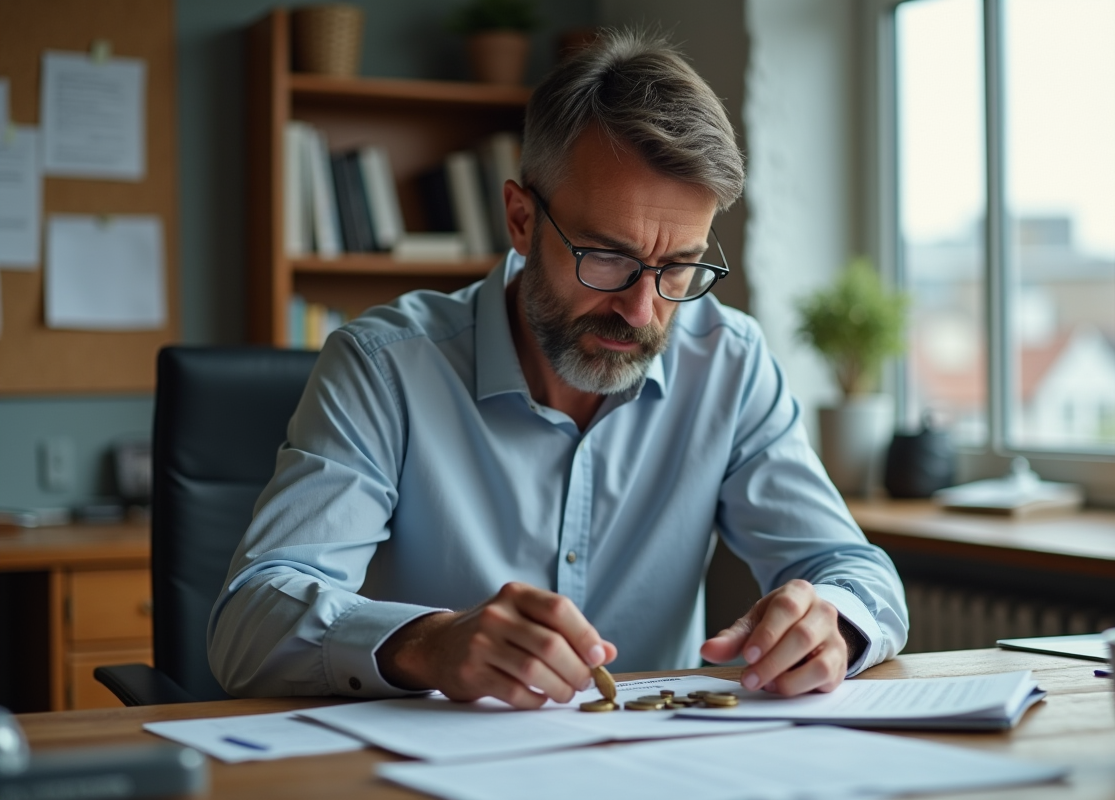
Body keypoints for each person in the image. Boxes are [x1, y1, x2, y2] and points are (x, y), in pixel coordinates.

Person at [208, 29, 907, 708]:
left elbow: (855, 573)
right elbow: (249, 623)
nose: (640, 311)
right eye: (606, 257)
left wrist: (832, 621)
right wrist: (430, 643)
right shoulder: (385, 367)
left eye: (679, 267)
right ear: (520, 219)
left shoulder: (729, 361)